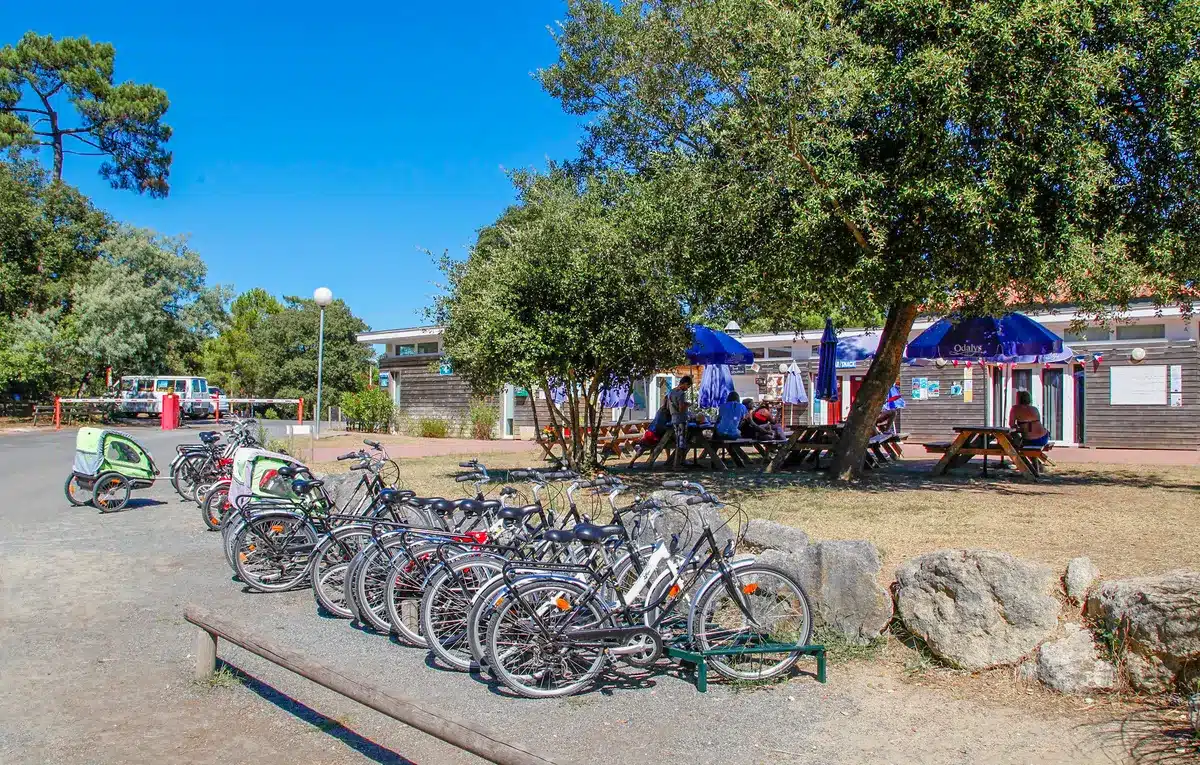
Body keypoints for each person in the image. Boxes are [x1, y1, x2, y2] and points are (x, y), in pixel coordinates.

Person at [667, 376, 693, 465]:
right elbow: (681, 409)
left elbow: (669, 404)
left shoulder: (671, 391)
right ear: (685, 383)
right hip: (681, 419)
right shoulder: (681, 393)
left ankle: (677, 462)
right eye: (688, 386)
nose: (687, 388)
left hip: (673, 418)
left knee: (678, 441)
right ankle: (679, 462)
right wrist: (687, 405)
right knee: (682, 443)